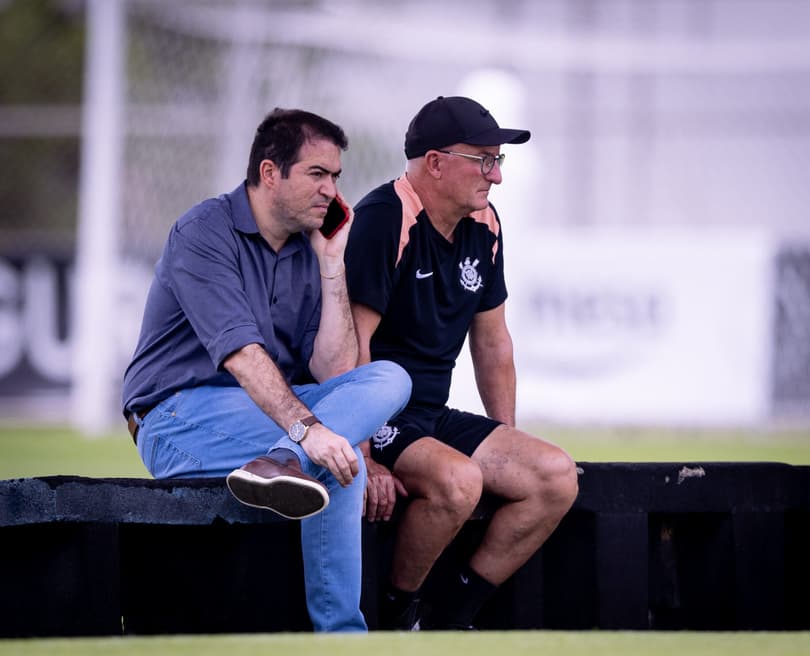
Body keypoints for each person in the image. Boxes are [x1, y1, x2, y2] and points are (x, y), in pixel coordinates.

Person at [121, 107, 412, 633]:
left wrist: (332, 262)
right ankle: (342, 639)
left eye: (336, 177)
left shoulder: (309, 248)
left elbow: (334, 370)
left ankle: (282, 461)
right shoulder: (203, 231)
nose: (331, 191)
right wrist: (308, 431)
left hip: (267, 424)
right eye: (317, 174)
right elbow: (242, 356)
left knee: (392, 377)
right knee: (337, 454)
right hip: (174, 419)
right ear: (270, 172)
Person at [345, 96, 579, 630]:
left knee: (554, 476)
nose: (496, 176)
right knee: (459, 481)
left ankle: (450, 619)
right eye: (484, 160)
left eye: (498, 161)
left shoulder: (485, 224)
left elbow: (493, 345)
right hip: (378, 416)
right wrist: (363, 457)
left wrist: (505, 438)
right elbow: (351, 346)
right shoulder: (383, 219)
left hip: (431, 415)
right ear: (435, 162)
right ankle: (396, 617)